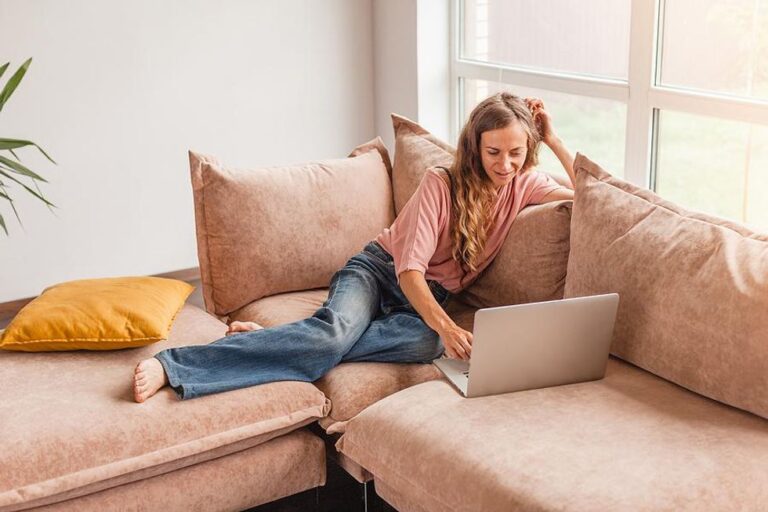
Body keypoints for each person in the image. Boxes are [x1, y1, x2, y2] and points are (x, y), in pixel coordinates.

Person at [133, 92, 576, 402]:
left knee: (424, 343)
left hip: (425, 301)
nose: (505, 164)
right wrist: (448, 327)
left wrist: (552, 137)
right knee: (335, 335)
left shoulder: (525, 184)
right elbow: (409, 272)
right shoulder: (441, 183)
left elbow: (588, 196)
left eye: (516, 152)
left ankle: (278, 340)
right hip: (379, 271)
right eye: (493, 151)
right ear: (475, 147)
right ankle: (176, 367)